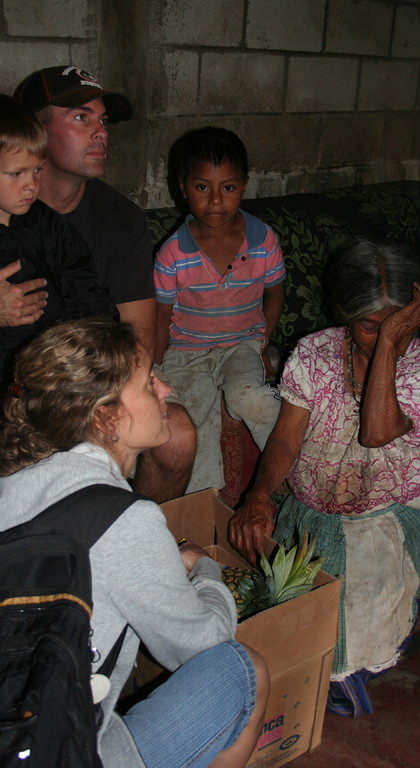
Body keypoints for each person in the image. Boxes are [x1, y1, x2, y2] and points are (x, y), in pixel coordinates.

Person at [0, 317, 269, 768]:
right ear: (107, 418)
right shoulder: (124, 520)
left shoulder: (16, 481)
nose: (165, 390)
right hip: (61, 749)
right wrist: (204, 570)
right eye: (148, 384)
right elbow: (205, 642)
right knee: (244, 668)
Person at [228, 240, 420, 718]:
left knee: (351, 639)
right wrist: (260, 495)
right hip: (316, 509)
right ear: (345, 315)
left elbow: (376, 432)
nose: (380, 337)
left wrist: (392, 342)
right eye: (369, 326)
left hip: (385, 514)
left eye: (395, 326)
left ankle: (416, 598)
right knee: (296, 620)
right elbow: (288, 440)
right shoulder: (316, 353)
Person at [14, 65, 196, 501]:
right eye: (81, 118)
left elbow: (139, 341)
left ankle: (141, 545)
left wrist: (105, 407)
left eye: (103, 121)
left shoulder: (121, 218)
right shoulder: (7, 214)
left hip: (100, 385)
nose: (100, 133)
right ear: (35, 131)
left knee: (178, 436)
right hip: (20, 389)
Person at [154, 126, 285, 494]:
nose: (215, 200)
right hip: (185, 354)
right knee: (196, 422)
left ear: (244, 185)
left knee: (249, 398)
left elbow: (275, 294)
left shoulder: (263, 240)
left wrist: (263, 340)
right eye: (202, 187)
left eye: (227, 187)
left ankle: (300, 469)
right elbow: (161, 317)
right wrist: (155, 367)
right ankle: (204, 504)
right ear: (182, 187)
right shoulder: (172, 253)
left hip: (240, 346)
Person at [0, 94, 117, 386]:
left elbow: (83, 283)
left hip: (52, 375)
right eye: (16, 173)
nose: (31, 185)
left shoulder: (45, 221)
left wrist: (104, 341)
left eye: (37, 170)